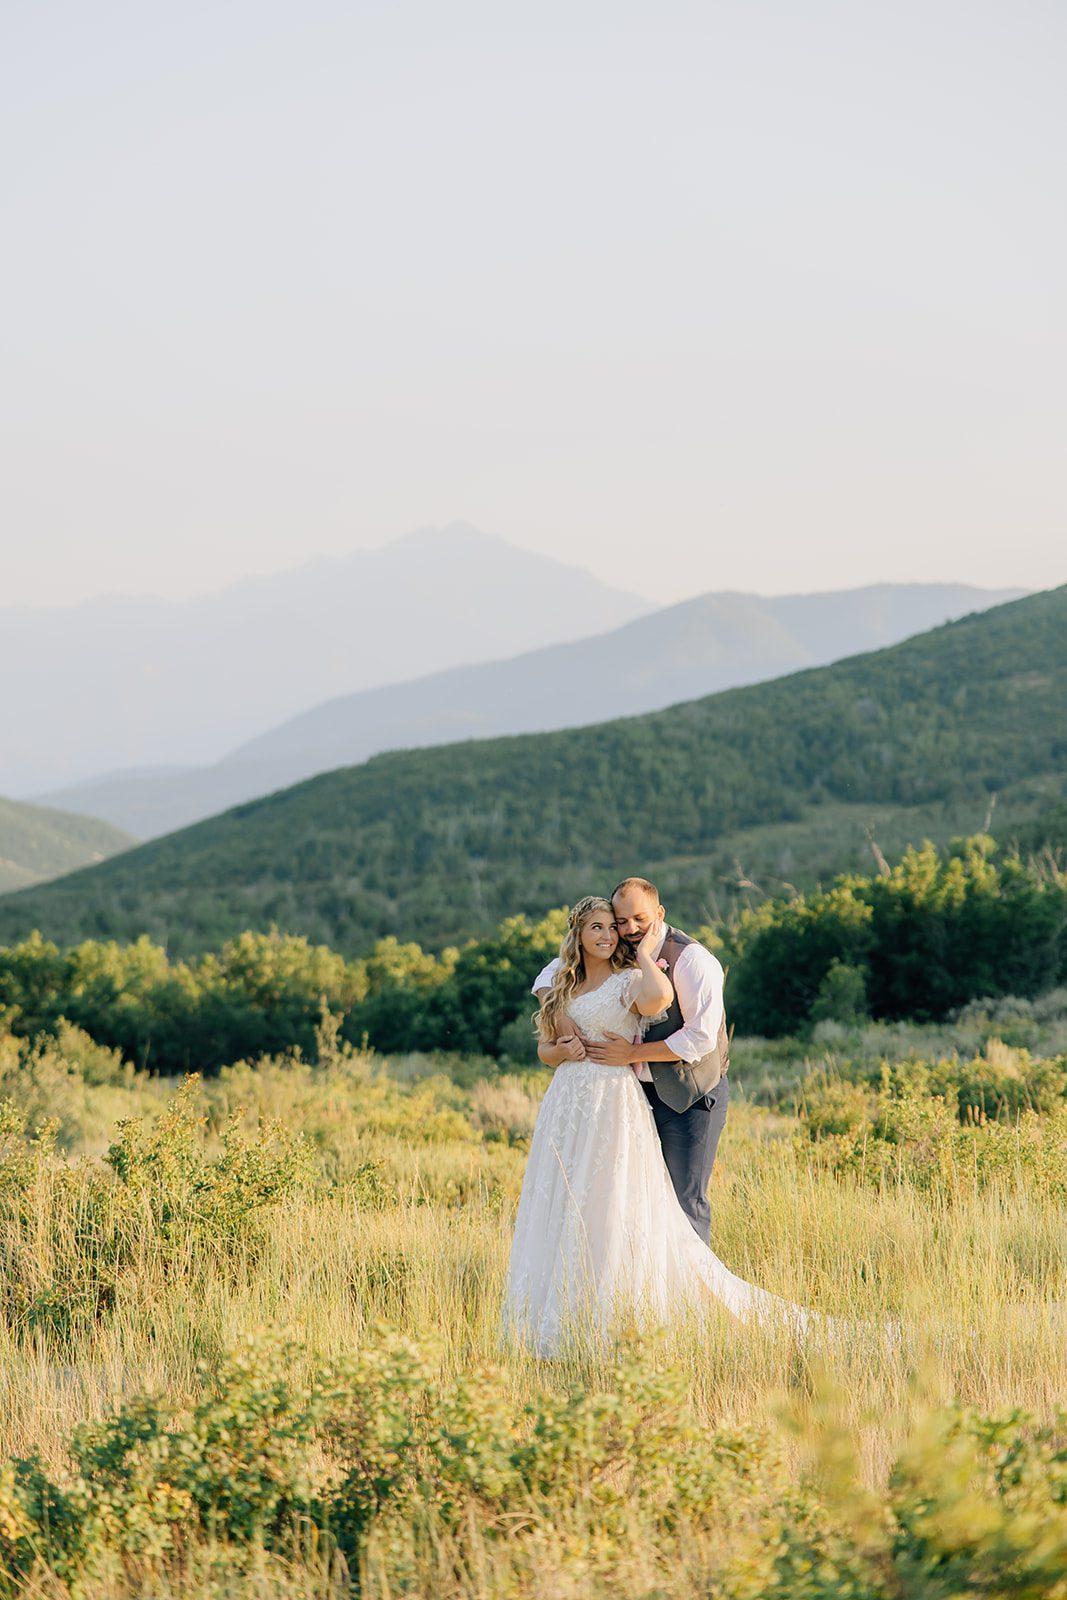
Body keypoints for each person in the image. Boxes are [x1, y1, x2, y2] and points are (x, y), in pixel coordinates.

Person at [504, 894, 818, 1356]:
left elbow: (674, 1011)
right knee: (569, 1201)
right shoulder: (563, 980)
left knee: (639, 1200)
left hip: (641, 1096)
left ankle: (668, 1310)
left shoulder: (659, 969)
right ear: (579, 934)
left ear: (657, 916)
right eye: (604, 925)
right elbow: (545, 1043)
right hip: (569, 1104)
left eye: (621, 924)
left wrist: (647, 957)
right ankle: (567, 1313)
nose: (616, 932)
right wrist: (560, 1050)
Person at [530, 877, 729, 1245]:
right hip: (631, 1097)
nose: (629, 929)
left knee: (684, 1201)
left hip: (689, 1096)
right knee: (638, 1201)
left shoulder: (693, 959)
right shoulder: (616, 946)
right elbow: (550, 973)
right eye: (621, 921)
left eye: (639, 919)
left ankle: (692, 1281)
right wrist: (557, 1011)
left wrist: (633, 1054)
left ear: (660, 913)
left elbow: (700, 1039)